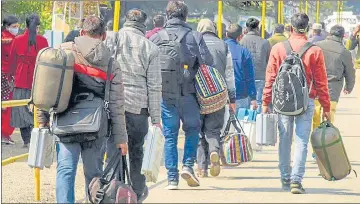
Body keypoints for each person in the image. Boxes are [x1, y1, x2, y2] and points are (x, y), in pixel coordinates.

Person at [37, 16, 128, 203]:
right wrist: (121, 138)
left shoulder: (62, 52)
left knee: (65, 170)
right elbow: (117, 104)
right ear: (103, 36)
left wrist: (42, 118)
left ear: (81, 33)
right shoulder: (111, 63)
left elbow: (46, 87)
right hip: (97, 126)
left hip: (65, 121)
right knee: (94, 174)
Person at [262, 13, 331, 194]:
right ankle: (296, 181)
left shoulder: (278, 48)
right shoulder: (315, 51)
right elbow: (321, 82)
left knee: (285, 139)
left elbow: (270, 77)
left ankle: (285, 178)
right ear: (307, 28)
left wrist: (265, 101)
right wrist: (326, 107)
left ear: (290, 28)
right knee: (301, 141)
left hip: (282, 101)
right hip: (306, 101)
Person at [107, 9, 162, 202]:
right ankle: (136, 192)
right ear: (143, 25)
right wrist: (156, 119)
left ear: (126, 22)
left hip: (113, 106)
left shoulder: (111, 39)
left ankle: (115, 191)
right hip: (138, 109)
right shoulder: (151, 48)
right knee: (136, 150)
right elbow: (154, 86)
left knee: (113, 149)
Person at [150, 1, 204, 190]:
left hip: (166, 96)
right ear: (185, 16)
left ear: (167, 15)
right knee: (193, 129)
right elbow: (206, 62)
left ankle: (172, 178)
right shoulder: (194, 36)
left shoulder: (156, 38)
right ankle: (188, 165)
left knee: (170, 135)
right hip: (189, 94)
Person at [195, 19, 236, 178]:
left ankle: (201, 168)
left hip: (197, 94)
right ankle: (214, 151)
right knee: (213, 130)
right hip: (218, 95)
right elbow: (229, 74)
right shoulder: (223, 45)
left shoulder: (194, 43)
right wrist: (232, 98)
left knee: (198, 131)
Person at [9, 14, 48, 148]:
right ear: (37, 27)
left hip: (21, 79)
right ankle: (37, 137)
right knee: (38, 108)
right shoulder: (43, 41)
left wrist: (10, 76)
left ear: (25, 25)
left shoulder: (18, 40)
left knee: (20, 110)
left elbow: (12, 61)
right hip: (38, 79)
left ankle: (27, 140)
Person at [313, 25, 356, 129]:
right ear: (342, 36)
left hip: (316, 86)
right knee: (330, 113)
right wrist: (348, 87)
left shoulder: (316, 46)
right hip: (333, 88)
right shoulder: (344, 52)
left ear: (329, 34)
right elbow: (350, 72)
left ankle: (315, 135)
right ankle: (325, 137)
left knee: (316, 111)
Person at [240, 17, 271, 113]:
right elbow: (268, 60)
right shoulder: (265, 42)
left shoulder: (241, 42)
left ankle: (245, 124)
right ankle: (257, 125)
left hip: (245, 77)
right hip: (261, 76)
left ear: (246, 28)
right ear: (258, 28)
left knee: (245, 103)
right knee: (258, 102)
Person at [224, 24, 257, 112]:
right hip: (240, 95)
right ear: (240, 36)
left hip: (222, 96)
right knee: (240, 123)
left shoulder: (220, 48)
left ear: (226, 34)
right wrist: (253, 97)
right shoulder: (244, 51)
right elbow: (249, 76)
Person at [1, 15, 19, 145]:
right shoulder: (9, 40)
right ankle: (4, 134)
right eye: (14, 27)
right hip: (7, 75)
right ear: (7, 27)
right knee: (7, 106)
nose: (17, 29)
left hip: (6, 74)